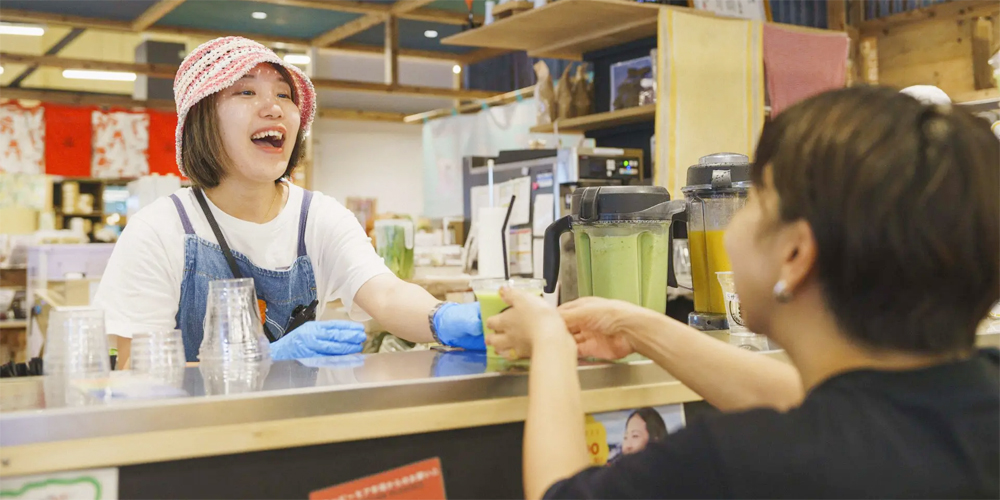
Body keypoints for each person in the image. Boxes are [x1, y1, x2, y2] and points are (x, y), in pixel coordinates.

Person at [485, 86, 999, 499]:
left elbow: (560, 493)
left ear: (795, 255)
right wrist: (636, 324)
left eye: (754, 200)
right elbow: (831, 406)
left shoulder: (739, 462)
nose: (730, 228)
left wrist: (550, 340)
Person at [94, 37, 483, 365]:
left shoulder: (318, 217)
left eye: (284, 94)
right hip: (195, 440)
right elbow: (137, 372)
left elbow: (385, 293)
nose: (274, 107)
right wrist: (266, 360)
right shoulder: (160, 231)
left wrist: (443, 317)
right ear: (201, 119)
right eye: (246, 91)